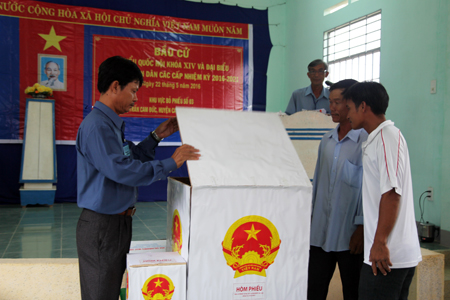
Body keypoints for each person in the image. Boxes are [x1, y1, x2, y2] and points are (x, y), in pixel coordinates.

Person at [75, 56, 201, 300]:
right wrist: (171, 162)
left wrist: (157, 136)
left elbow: (131, 156)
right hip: (103, 226)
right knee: (101, 294)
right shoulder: (97, 127)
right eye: (133, 91)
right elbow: (121, 170)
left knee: (109, 291)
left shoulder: (110, 126)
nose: (135, 98)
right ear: (114, 87)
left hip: (116, 224)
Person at [344, 82, 422, 300]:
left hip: (387, 256)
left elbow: (391, 194)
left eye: (349, 107)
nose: (346, 114)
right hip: (383, 253)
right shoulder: (376, 139)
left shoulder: (387, 136)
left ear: (363, 106)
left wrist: (380, 243)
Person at [308, 79, 367, 300]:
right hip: (320, 233)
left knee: (353, 292)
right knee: (314, 289)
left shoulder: (365, 141)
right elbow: (318, 184)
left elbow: (367, 190)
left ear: (352, 103)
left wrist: (361, 228)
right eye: (330, 102)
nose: (332, 107)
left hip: (349, 236)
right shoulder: (327, 141)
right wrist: (311, 217)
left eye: (338, 102)